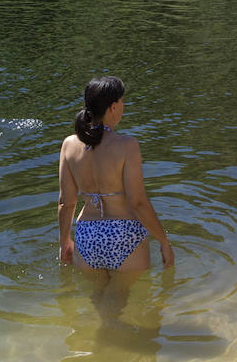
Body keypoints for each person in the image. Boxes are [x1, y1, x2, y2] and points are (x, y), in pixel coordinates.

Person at [58, 77, 173, 302]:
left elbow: (66, 203)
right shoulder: (127, 145)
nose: (123, 106)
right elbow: (138, 203)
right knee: (121, 304)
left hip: (87, 236)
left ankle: (93, 337)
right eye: (122, 101)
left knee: (98, 302)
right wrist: (164, 242)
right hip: (125, 234)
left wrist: (65, 243)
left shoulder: (69, 144)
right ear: (113, 107)